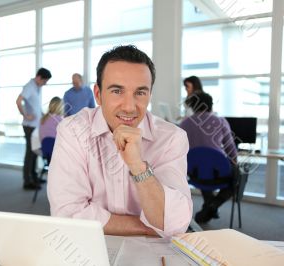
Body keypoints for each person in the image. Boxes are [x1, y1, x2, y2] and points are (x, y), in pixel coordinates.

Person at [47, 45, 192, 237]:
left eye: (140, 92)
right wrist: (147, 226)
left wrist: (138, 166)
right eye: (117, 91)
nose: (129, 107)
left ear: (149, 94)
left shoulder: (172, 138)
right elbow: (67, 213)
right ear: (98, 95)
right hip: (89, 248)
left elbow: (174, 224)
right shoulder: (73, 130)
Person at [179, 92, 237, 224]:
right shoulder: (220, 121)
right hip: (218, 174)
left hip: (195, 173)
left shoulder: (184, 123)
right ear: (210, 105)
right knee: (237, 178)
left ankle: (208, 207)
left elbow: (179, 149)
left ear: (193, 106)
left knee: (205, 169)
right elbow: (231, 150)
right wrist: (235, 163)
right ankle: (213, 205)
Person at [16, 68, 52, 190]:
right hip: (29, 126)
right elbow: (18, 101)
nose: (45, 84)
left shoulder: (37, 87)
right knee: (30, 153)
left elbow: (36, 107)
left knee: (35, 152)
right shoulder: (29, 87)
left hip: (36, 126)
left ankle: (34, 177)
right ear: (39, 77)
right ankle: (27, 181)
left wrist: (44, 116)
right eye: (45, 81)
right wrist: (25, 115)